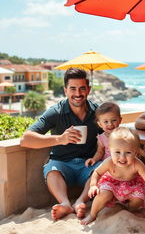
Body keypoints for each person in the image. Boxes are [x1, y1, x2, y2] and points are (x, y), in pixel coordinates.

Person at [20, 68, 101, 221]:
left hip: (88, 165)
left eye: (82, 88)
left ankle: (80, 201)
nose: (77, 94)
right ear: (65, 90)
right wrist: (60, 139)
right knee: (51, 169)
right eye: (72, 89)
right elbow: (26, 139)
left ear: (88, 89)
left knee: (103, 168)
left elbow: (113, 132)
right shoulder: (55, 112)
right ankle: (65, 203)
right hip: (62, 164)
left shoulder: (97, 112)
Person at [81, 127, 145, 225]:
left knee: (138, 199)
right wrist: (93, 185)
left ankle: (129, 210)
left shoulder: (137, 164)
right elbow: (97, 172)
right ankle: (93, 214)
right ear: (110, 150)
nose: (122, 157)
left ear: (135, 153)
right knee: (103, 194)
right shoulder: (109, 162)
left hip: (132, 185)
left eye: (128, 152)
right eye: (117, 152)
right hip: (111, 183)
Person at [85, 102, 122, 166]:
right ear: (100, 124)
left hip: (123, 162)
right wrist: (94, 159)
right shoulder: (101, 138)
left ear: (120, 120)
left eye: (114, 120)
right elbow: (100, 152)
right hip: (108, 165)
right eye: (106, 122)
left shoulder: (124, 134)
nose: (110, 124)